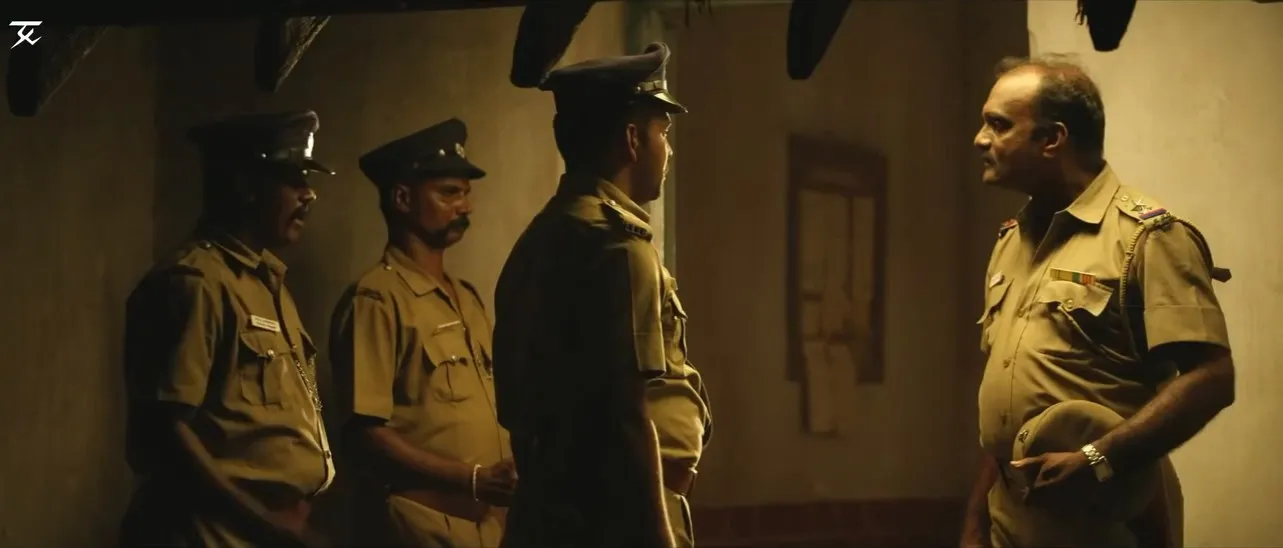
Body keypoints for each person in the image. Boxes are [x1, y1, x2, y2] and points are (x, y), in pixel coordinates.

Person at [961, 54, 1236, 548]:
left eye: (998, 125)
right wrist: (975, 523)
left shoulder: (1146, 238)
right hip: (1011, 521)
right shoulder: (1012, 239)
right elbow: (1010, 403)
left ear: (1052, 139)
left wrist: (1100, 459)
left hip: (1102, 518)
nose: (980, 140)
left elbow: (1211, 377)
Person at [492, 42, 713, 548]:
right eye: (663, 132)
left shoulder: (543, 237)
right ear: (632, 140)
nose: (669, 150)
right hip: (617, 518)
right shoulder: (617, 249)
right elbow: (626, 414)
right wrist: (658, 538)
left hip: (556, 512)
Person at [119, 111, 336, 548]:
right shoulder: (196, 283)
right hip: (213, 534)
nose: (308, 194)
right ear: (246, 186)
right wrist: (264, 520)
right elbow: (164, 435)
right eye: (292, 179)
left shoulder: (266, 282)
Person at [329, 118, 514, 548]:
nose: (465, 207)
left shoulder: (466, 298)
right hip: (419, 528)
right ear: (402, 199)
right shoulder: (378, 298)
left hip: (486, 529)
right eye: (449, 193)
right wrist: (471, 478)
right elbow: (364, 433)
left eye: (466, 193)